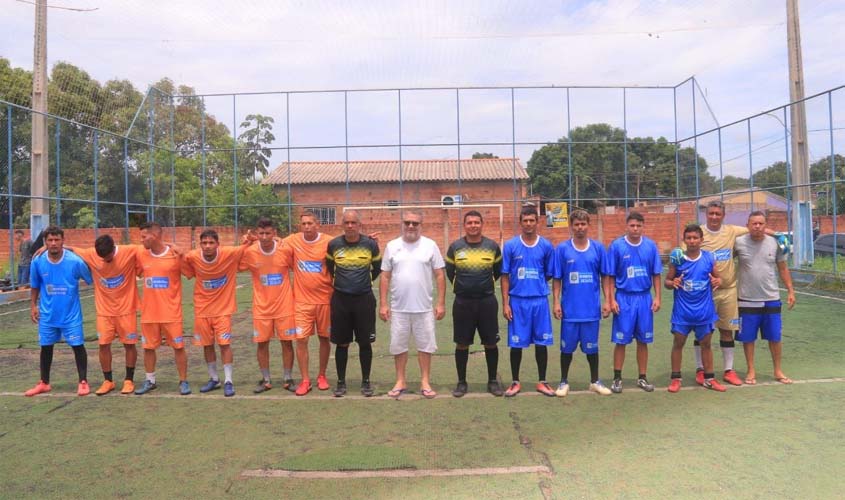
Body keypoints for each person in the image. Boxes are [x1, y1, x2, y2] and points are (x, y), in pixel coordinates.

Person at [379, 210, 446, 399]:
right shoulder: (392, 246)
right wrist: (383, 304)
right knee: (399, 346)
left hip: (424, 308)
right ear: (402, 223)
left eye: (415, 223)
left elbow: (440, 274)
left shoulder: (430, 245)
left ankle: (425, 382)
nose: (410, 226)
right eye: (407, 222)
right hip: (399, 309)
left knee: (425, 346)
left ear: (420, 225)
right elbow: (385, 276)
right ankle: (400, 381)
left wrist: (441, 303)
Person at [25, 225, 93, 397]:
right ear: (45, 242)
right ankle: (44, 382)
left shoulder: (75, 261)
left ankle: (83, 382)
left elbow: (92, 277)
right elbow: (34, 286)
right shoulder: (38, 261)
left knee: (78, 347)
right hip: (47, 315)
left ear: (63, 241)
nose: (53, 243)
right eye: (50, 240)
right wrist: (33, 305)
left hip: (71, 315)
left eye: (57, 240)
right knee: (45, 347)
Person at [551, 210, 612, 397]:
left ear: (588, 225)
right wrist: (556, 303)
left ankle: (595, 381)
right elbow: (557, 279)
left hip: (591, 310)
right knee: (566, 349)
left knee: (592, 349)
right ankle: (563, 382)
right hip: (570, 311)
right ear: (571, 226)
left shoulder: (598, 248)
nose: (580, 228)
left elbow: (605, 277)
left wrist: (608, 301)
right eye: (576, 224)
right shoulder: (562, 249)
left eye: (583, 224)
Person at [72, 235, 142, 395]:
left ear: (113, 249)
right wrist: (44, 248)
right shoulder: (92, 254)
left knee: (129, 345)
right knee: (103, 345)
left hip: (126, 310)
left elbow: (149, 246)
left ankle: (129, 379)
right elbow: (72, 249)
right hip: (104, 312)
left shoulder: (129, 251)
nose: (106, 260)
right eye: (102, 258)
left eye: (108, 257)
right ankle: (108, 380)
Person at [182, 229, 248, 397]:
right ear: (199, 245)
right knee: (207, 345)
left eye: (211, 243)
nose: (208, 246)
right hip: (202, 310)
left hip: (223, 311)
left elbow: (246, 247)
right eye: (204, 243)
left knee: (225, 345)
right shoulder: (192, 256)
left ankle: (228, 381)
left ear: (218, 244)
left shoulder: (229, 253)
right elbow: (183, 261)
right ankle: (214, 378)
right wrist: (177, 251)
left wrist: (249, 239)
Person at [445, 210, 503, 397]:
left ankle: (493, 381)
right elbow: (450, 272)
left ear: (482, 224)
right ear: (465, 225)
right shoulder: (455, 247)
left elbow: (498, 270)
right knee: (462, 344)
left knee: (491, 343)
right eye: (469, 222)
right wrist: (464, 287)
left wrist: (483, 286)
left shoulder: (492, 246)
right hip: (463, 303)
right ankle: (461, 382)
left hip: (487, 302)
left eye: (476, 222)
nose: (473, 225)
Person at [735, 211, 796, 385]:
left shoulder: (775, 243)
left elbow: (783, 268)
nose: (757, 226)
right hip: (746, 298)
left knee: (775, 337)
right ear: (748, 225)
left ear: (765, 225)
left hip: (771, 298)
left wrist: (791, 290)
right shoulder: (738, 243)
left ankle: (777, 370)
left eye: (761, 223)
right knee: (748, 338)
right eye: (754, 223)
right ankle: (751, 370)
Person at [603, 211, 662, 394]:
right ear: (626, 226)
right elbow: (610, 276)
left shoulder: (651, 246)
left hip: (644, 298)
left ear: (643, 226)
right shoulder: (617, 246)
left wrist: (657, 297)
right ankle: (617, 378)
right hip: (624, 298)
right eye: (632, 225)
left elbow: (656, 274)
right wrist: (611, 299)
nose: (635, 229)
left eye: (638, 226)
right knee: (621, 341)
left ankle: (642, 378)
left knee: (643, 341)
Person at [501, 206, 556, 397]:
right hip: (517, 302)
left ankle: (542, 381)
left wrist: (535, 284)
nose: (529, 224)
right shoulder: (510, 246)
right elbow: (505, 276)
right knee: (516, 344)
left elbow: (549, 273)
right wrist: (505, 303)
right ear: (520, 222)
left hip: (539, 301)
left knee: (542, 343)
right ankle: (515, 382)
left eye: (532, 220)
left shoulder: (547, 246)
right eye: (525, 220)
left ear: (537, 222)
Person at [326, 210, 381, 397]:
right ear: (342, 224)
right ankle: (341, 383)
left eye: (353, 222)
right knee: (342, 344)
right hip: (340, 300)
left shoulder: (370, 245)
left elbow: (377, 269)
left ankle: (366, 382)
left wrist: (362, 283)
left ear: (359, 224)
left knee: (365, 343)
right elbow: (329, 268)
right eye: (346, 222)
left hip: (364, 300)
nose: (350, 226)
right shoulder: (333, 245)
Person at [694, 200, 749, 387]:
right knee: (702, 332)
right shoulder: (699, 234)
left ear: (723, 215)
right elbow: (685, 255)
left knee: (727, 331)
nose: (714, 217)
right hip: (704, 293)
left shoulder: (731, 231)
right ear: (706, 214)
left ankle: (728, 370)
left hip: (728, 291)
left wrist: (776, 234)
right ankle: (701, 369)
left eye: (718, 214)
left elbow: (755, 229)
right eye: (711, 213)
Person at [665, 224, 726, 393]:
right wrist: (673, 282)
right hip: (682, 312)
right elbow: (667, 282)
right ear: (684, 240)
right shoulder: (677, 259)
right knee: (678, 343)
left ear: (701, 240)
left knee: (706, 344)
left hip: (704, 312)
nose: (692, 241)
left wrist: (717, 281)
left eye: (695, 238)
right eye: (689, 238)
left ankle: (709, 378)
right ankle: (676, 378)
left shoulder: (709, 258)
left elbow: (719, 279)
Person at [239, 217, 297, 394]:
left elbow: (297, 267)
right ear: (257, 234)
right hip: (261, 308)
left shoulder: (285, 250)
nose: (264, 237)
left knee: (287, 343)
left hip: (284, 306)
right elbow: (235, 266)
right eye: (261, 233)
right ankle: (266, 379)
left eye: (268, 233)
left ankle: (288, 378)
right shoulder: (250, 252)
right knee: (262, 344)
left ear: (275, 234)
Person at [134, 222, 191, 396]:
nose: (141, 240)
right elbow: (137, 271)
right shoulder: (141, 255)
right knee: (148, 348)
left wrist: (182, 255)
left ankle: (183, 381)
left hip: (171, 312)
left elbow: (189, 273)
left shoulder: (174, 254)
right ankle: (150, 380)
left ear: (156, 236)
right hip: (149, 313)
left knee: (178, 347)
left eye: (144, 237)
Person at [284, 211, 334, 396]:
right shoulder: (293, 240)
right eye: (304, 223)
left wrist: (367, 241)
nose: (307, 226)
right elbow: (273, 243)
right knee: (301, 340)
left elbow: (347, 245)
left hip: (325, 300)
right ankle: (305, 380)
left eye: (310, 223)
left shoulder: (329, 241)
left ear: (317, 224)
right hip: (302, 302)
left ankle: (322, 375)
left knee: (324, 338)